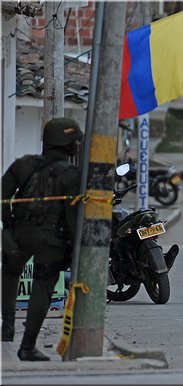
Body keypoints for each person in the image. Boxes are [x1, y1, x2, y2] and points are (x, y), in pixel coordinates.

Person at [2, 117, 83, 361]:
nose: (77, 146)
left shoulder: (23, 165)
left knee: (10, 272)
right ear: (66, 142)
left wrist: (8, 230)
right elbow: (72, 216)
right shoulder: (73, 175)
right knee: (43, 287)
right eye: (75, 141)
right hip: (52, 241)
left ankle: (6, 328)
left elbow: (2, 197)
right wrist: (72, 249)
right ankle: (27, 347)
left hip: (19, 235)